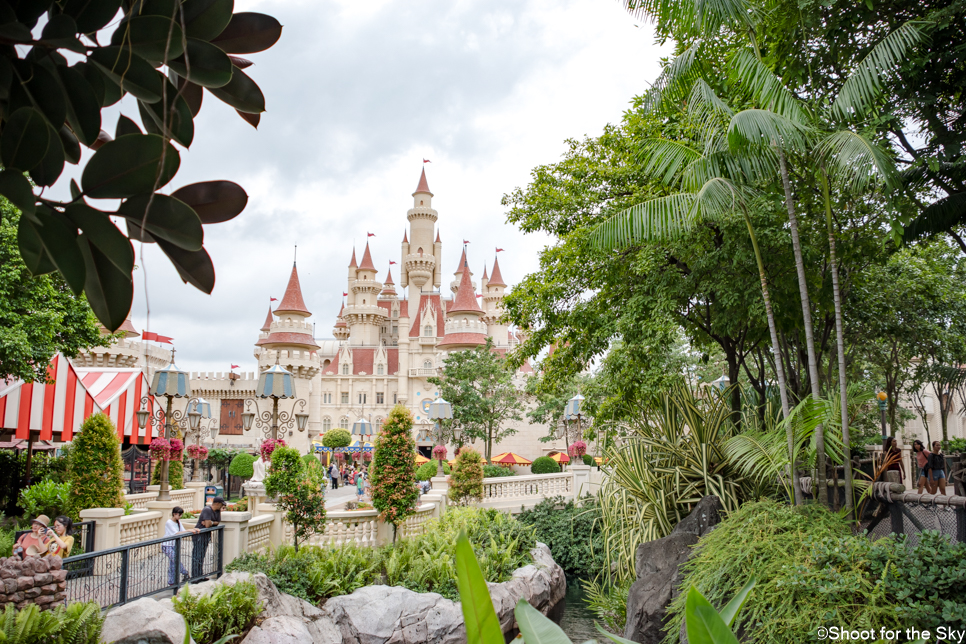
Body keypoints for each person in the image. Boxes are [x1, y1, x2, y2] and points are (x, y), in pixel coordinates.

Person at [162, 507, 198, 585]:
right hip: (167, 545)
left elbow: (182, 531)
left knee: (173, 563)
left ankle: (171, 581)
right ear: (174, 514)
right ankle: (184, 572)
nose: (180, 516)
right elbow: (176, 533)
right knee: (175, 560)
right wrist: (189, 530)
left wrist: (192, 530)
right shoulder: (169, 522)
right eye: (179, 514)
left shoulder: (178, 522)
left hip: (174, 545)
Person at [191, 497, 223, 579]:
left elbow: (217, 522)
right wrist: (211, 523)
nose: (222, 506)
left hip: (206, 535)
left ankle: (200, 575)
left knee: (202, 555)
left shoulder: (217, 511)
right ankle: (195, 577)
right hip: (199, 535)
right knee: (197, 556)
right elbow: (207, 525)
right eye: (221, 504)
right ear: (217, 504)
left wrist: (211, 522)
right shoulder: (207, 510)